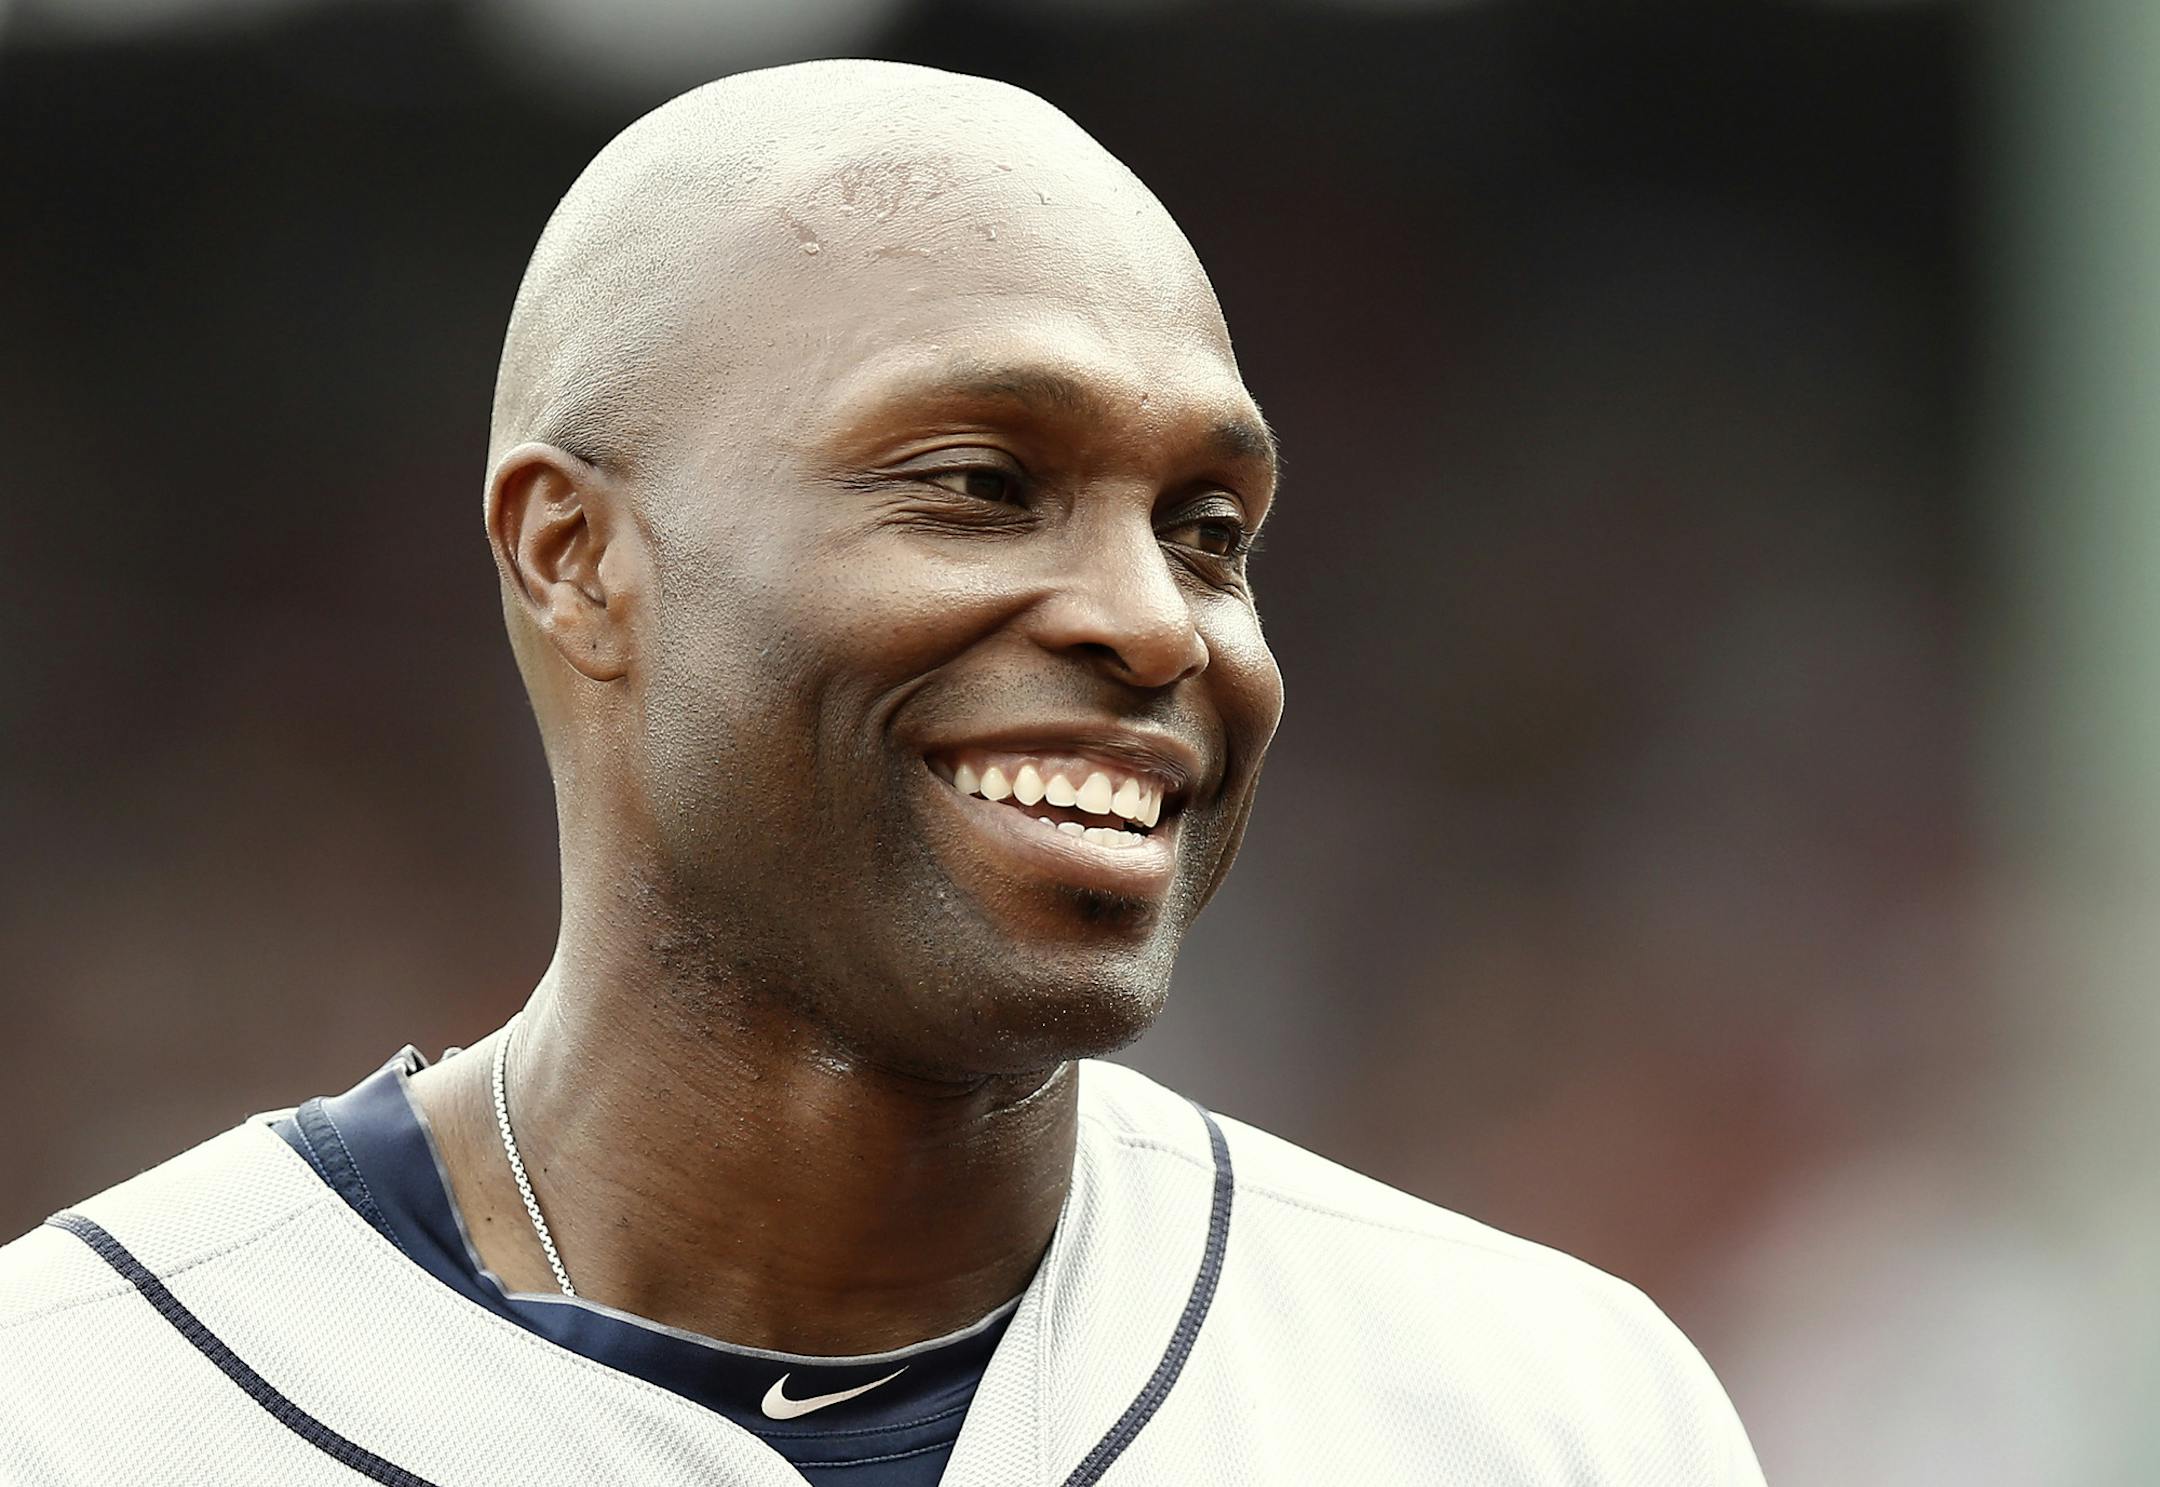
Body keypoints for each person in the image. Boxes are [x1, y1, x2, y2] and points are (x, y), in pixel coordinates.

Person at [0, 60, 1765, 1486]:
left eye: (1209, 529)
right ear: (573, 558)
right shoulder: (79, 1411)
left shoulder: (1546, 1420)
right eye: (981, 484)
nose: (1158, 626)